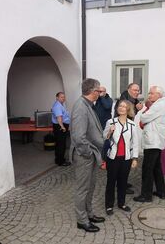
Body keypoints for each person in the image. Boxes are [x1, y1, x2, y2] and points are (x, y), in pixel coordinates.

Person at [70, 78, 105, 233]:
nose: (100, 93)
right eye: (99, 90)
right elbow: (78, 137)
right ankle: (82, 220)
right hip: (85, 155)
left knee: (90, 187)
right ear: (92, 91)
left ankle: (89, 214)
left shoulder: (88, 105)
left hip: (91, 154)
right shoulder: (80, 107)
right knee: (82, 189)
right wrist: (89, 153)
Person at [104, 100, 139, 215]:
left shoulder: (132, 124)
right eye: (120, 106)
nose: (121, 108)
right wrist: (110, 130)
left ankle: (121, 203)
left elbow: (135, 143)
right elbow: (105, 137)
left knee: (123, 182)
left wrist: (134, 158)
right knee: (111, 182)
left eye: (124, 106)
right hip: (113, 158)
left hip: (126, 158)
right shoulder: (111, 121)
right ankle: (109, 205)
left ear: (128, 109)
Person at [133, 86, 165, 202]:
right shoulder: (159, 104)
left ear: (159, 95)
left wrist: (142, 111)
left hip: (153, 141)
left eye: (152, 93)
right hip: (155, 141)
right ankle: (161, 191)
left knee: (147, 168)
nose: (149, 95)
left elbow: (144, 118)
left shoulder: (158, 105)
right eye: (149, 93)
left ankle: (146, 195)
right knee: (156, 168)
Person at [114, 83, 143, 194]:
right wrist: (136, 109)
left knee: (125, 160)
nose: (137, 92)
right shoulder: (125, 100)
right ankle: (121, 185)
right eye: (134, 90)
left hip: (126, 133)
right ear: (128, 89)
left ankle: (122, 182)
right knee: (122, 161)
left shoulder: (131, 99)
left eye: (138, 90)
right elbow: (125, 116)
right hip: (121, 134)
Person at [94, 86, 113, 165]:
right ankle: (98, 158)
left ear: (105, 92)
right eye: (99, 91)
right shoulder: (97, 100)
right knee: (97, 141)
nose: (100, 93)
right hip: (97, 124)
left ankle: (104, 160)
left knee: (105, 142)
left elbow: (107, 106)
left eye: (101, 91)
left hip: (105, 125)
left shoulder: (109, 100)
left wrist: (101, 97)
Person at [51, 92, 71, 166]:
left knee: (60, 143)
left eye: (64, 97)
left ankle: (58, 159)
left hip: (61, 125)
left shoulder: (61, 104)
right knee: (61, 144)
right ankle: (61, 161)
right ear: (57, 97)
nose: (63, 98)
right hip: (60, 126)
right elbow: (59, 118)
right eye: (61, 97)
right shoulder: (57, 106)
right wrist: (62, 127)